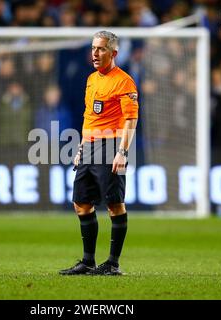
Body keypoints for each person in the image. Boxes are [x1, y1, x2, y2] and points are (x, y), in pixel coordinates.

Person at [59, 31, 139, 276]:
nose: (95, 53)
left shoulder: (124, 81)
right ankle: (88, 261)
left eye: (101, 49)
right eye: (93, 48)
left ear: (113, 53)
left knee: (114, 204)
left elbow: (131, 119)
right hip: (90, 146)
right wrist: (82, 147)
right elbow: (89, 117)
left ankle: (113, 264)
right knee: (81, 203)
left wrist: (122, 152)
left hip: (111, 145)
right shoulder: (91, 79)